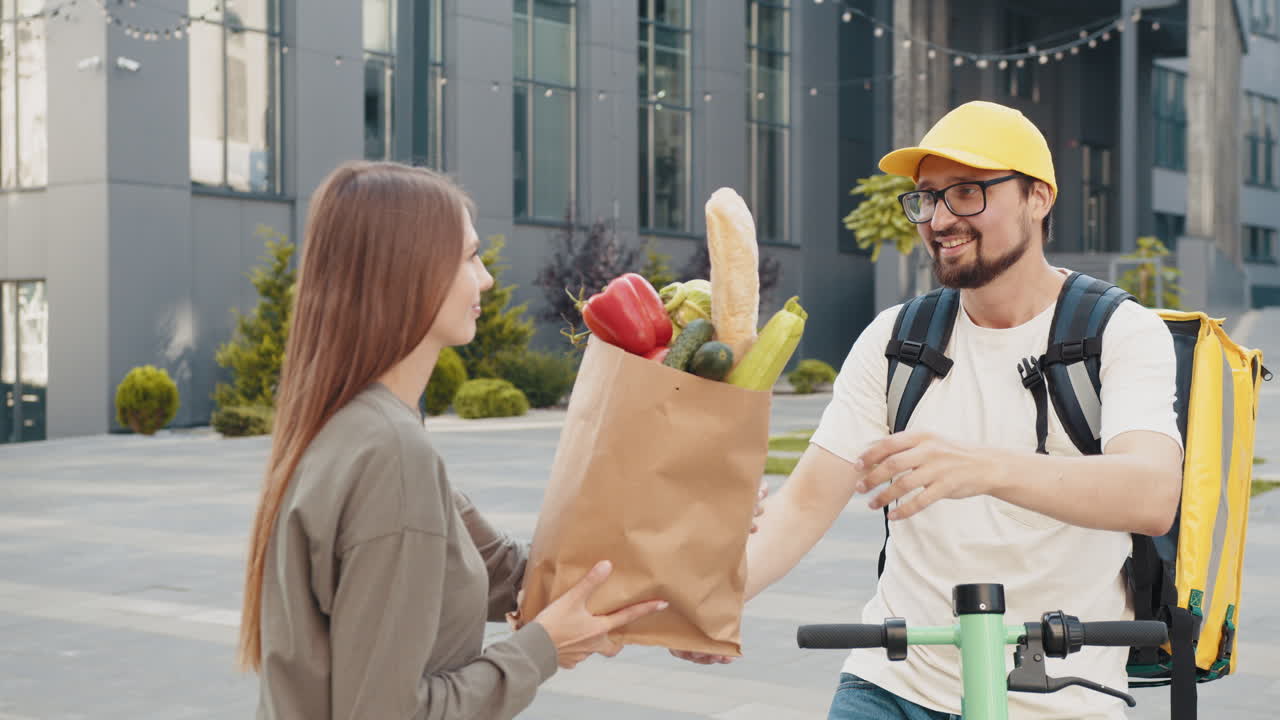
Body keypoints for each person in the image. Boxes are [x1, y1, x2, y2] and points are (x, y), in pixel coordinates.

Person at [679, 101, 1184, 719]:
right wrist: (713, 598)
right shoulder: (898, 339)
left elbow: (1152, 496)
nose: (941, 218)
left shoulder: (1119, 332)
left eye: (967, 192)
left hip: (1061, 696)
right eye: (926, 197)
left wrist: (985, 468)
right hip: (894, 683)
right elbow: (807, 503)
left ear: (1038, 198)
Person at [237, 161, 669, 720]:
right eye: (469, 257)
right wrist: (542, 649)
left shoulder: (354, 427)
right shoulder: (389, 453)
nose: (486, 278)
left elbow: (512, 574)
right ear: (408, 272)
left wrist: (682, 517)